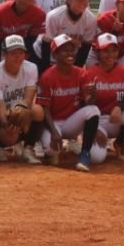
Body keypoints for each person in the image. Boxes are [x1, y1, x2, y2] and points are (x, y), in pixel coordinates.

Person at [36, 34, 99, 172]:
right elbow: (44, 108)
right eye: (65, 50)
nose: (70, 53)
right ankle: (46, 150)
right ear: (55, 54)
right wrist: (53, 132)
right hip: (53, 123)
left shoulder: (81, 73)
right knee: (53, 151)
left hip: (71, 122)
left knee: (93, 110)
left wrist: (93, 94)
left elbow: (89, 103)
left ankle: (85, 154)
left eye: (72, 49)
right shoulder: (47, 76)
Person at [83, 33, 124, 162]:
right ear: (97, 52)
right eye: (106, 51)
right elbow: (85, 106)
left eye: (114, 50)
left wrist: (119, 107)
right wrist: (94, 130)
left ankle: (120, 142)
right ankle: (92, 137)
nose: (111, 55)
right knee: (97, 158)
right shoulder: (90, 73)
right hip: (98, 121)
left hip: (117, 118)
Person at [0, 34, 42, 163]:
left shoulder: (31, 68)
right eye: (13, 53)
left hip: (19, 111)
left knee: (38, 111)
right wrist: (7, 125)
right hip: (0, 115)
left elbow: (28, 100)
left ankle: (28, 148)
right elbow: (0, 109)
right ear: (4, 55)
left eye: (21, 53)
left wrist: (20, 113)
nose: (18, 57)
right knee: (10, 139)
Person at [37, 0, 97, 67]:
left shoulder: (91, 19)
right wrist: (46, 70)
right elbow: (46, 45)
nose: (82, 1)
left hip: (69, 59)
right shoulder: (54, 17)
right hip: (45, 57)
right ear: (68, 0)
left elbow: (85, 47)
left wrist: (76, 69)